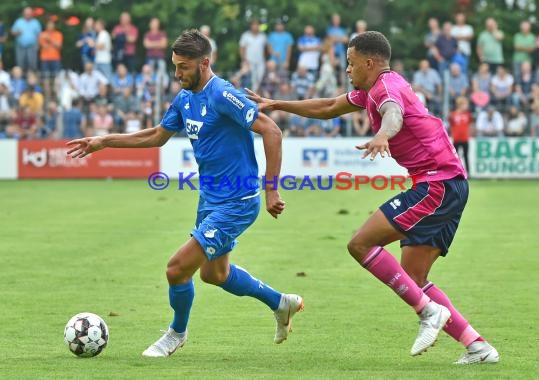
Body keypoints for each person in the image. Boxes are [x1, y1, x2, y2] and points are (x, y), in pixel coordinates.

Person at [247, 31, 499, 365]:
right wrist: (276, 104)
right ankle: (477, 346)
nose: (347, 70)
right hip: (445, 183)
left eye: (350, 64)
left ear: (369, 62)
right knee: (413, 277)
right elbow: (328, 106)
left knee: (360, 244)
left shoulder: (385, 88)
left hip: (436, 184)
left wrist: (382, 134)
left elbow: (393, 114)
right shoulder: (371, 91)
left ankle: (428, 313)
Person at [66, 29, 303, 357]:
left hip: (237, 201)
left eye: (184, 67)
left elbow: (272, 130)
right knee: (214, 274)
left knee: (177, 268)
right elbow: (157, 136)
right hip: (209, 199)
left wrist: (271, 190)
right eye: (175, 66)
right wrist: (105, 141)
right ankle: (281, 303)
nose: (177, 74)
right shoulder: (185, 98)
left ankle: (176, 333)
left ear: (204, 63)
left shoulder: (222, 94)